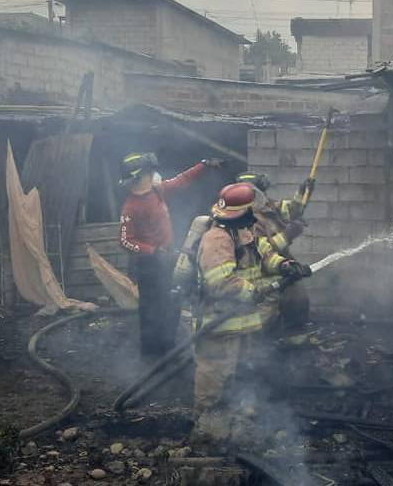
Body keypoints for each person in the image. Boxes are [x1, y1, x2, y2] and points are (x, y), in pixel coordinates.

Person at [192, 182, 311, 445]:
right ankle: (206, 432)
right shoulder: (217, 239)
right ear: (244, 212)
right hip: (219, 325)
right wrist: (254, 290)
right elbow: (220, 281)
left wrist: (286, 266)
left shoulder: (245, 232)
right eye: (252, 210)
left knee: (245, 374)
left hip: (245, 322)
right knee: (214, 377)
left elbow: (266, 256)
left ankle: (240, 427)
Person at [118, 152, 224, 356]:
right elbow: (124, 241)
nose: (154, 175)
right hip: (149, 266)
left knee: (173, 303)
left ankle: (168, 348)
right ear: (138, 178)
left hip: (168, 260)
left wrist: (203, 164)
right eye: (150, 172)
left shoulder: (157, 191)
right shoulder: (130, 207)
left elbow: (181, 180)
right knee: (151, 310)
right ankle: (151, 354)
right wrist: (153, 251)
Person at [237, 171, 315, 329]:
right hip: (261, 272)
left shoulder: (268, 207)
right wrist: (288, 234)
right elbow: (258, 251)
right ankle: (261, 338)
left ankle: (294, 342)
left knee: (297, 298)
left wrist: (303, 192)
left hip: (281, 264)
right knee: (277, 305)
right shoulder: (242, 219)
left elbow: (293, 211)